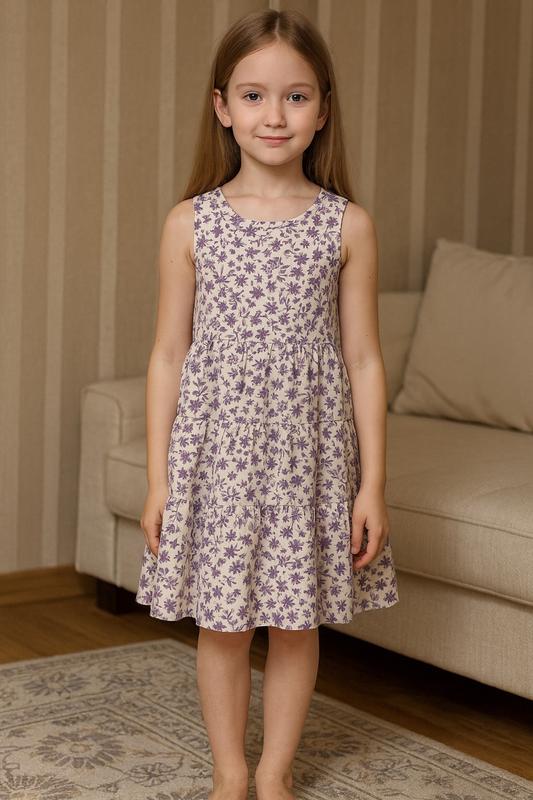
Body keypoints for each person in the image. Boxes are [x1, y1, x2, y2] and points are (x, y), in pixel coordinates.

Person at [136, 8, 399, 800]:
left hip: (305, 461)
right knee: (222, 623)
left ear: (322, 109)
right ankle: (230, 773)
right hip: (217, 457)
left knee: (293, 620)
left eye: (295, 96)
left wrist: (372, 485)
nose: (274, 115)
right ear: (222, 107)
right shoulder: (190, 223)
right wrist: (158, 479)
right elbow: (167, 355)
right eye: (253, 96)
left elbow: (363, 359)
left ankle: (276, 772)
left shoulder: (346, 225)